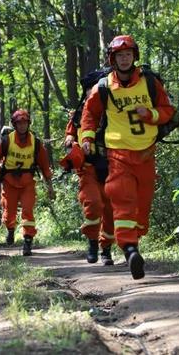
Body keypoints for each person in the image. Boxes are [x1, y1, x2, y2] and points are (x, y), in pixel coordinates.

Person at [80, 35, 175, 279]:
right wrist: (87, 139)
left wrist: (150, 113)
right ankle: (129, 249)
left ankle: (134, 240)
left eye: (128, 55)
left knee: (142, 207)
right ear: (112, 59)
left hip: (146, 153)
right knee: (122, 199)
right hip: (118, 154)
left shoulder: (150, 83)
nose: (124, 59)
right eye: (120, 55)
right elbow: (89, 115)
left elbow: (167, 112)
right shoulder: (103, 87)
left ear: (135, 57)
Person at [62, 70, 115, 265]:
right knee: (92, 204)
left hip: (112, 166)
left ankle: (106, 248)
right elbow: (70, 132)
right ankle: (92, 241)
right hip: (88, 167)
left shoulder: (114, 109)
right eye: (89, 90)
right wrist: (70, 141)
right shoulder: (79, 112)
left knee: (110, 211)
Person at [0, 109, 55, 256]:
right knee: (9, 211)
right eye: (19, 123)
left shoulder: (36, 143)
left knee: (28, 210)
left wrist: (49, 186)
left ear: (28, 123)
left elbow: (44, 165)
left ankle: (27, 241)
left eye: (25, 122)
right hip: (9, 181)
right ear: (15, 124)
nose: (22, 126)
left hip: (27, 182)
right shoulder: (7, 140)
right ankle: (10, 230)